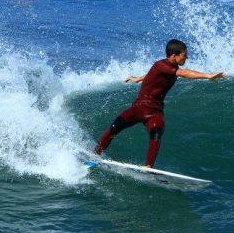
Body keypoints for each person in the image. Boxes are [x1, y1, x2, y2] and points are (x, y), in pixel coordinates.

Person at [93, 39, 226, 168]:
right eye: (184, 56)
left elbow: (151, 74)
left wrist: (138, 78)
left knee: (156, 133)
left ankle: (148, 166)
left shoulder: (167, 68)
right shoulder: (161, 65)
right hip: (140, 107)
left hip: (155, 112)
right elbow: (184, 73)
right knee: (115, 127)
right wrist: (208, 76)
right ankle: (95, 154)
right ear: (174, 56)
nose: (186, 58)